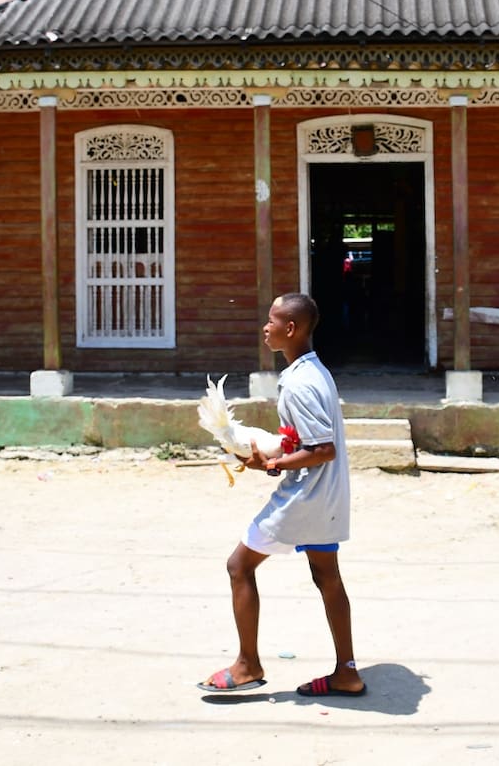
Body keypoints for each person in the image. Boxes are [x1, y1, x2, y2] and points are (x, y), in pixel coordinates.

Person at [198, 292, 366, 698]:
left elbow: (322, 448)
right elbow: (307, 441)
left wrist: (273, 466)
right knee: (327, 577)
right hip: (327, 496)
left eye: (272, 320)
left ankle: (246, 666)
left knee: (239, 565)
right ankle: (347, 671)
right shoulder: (313, 371)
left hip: (304, 497)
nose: (265, 326)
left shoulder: (299, 385)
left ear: (291, 329)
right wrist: (276, 451)